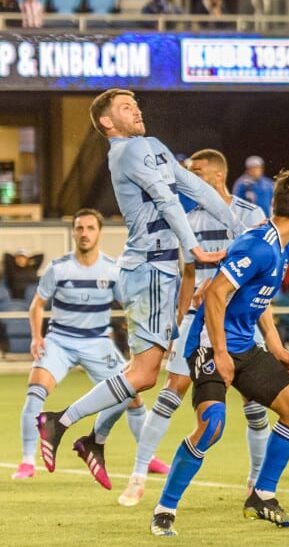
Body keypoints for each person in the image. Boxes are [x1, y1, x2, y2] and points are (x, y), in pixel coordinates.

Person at [36, 88, 237, 486]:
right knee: (144, 376)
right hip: (150, 271)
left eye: (136, 104)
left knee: (138, 372)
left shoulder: (150, 145)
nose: (137, 109)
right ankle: (59, 421)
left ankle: (95, 438)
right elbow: (165, 198)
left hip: (156, 271)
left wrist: (235, 225)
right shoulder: (126, 152)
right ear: (108, 123)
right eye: (126, 107)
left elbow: (194, 188)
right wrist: (194, 247)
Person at [150, 170, 289, 536]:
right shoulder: (258, 244)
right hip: (210, 345)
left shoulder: (281, 247)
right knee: (212, 425)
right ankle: (165, 509)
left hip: (245, 345)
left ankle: (263, 497)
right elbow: (214, 294)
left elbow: (259, 299)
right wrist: (221, 353)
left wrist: (275, 346)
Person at [118, 148, 269, 507]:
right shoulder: (187, 218)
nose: (185, 179)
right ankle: (138, 475)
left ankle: (255, 481)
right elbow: (188, 274)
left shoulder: (250, 215)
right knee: (172, 391)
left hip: (240, 319)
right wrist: (175, 321)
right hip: (197, 321)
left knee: (255, 402)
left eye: (194, 172)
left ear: (217, 176)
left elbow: (262, 269)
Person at [14, 209, 166, 484]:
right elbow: (37, 305)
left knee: (133, 395)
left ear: (99, 233)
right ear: (73, 232)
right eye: (79, 228)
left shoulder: (112, 269)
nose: (84, 233)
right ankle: (26, 461)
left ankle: (148, 456)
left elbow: (130, 308)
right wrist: (38, 337)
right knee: (36, 389)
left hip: (97, 341)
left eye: (90, 228)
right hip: (60, 340)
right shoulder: (58, 268)